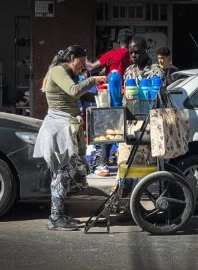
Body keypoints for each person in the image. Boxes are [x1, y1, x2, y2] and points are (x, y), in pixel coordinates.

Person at [33, 45, 106, 231]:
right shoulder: (58, 70)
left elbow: (74, 93)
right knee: (65, 171)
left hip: (66, 125)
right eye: (80, 62)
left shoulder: (66, 72)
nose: (82, 67)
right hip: (59, 127)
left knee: (67, 171)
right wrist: (92, 80)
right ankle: (55, 218)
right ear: (71, 57)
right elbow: (74, 91)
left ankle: (58, 214)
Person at [117, 36, 166, 198]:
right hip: (130, 126)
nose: (133, 56)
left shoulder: (156, 71)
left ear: (145, 50)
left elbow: (160, 100)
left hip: (149, 126)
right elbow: (125, 99)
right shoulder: (129, 71)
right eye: (130, 53)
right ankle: (121, 200)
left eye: (136, 52)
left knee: (147, 169)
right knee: (124, 165)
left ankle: (149, 204)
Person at [86, 34, 133, 176]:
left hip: (111, 99)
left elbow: (91, 67)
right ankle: (128, 163)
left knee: (109, 130)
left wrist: (85, 57)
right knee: (129, 131)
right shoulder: (135, 56)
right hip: (131, 98)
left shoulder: (112, 54)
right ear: (131, 42)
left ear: (118, 41)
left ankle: (103, 165)